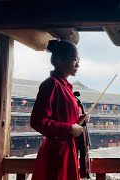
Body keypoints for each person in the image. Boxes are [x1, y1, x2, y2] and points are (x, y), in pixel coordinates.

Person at [30, 40, 89, 180]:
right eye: (74, 60)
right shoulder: (51, 84)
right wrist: (69, 129)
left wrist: (78, 120)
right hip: (56, 153)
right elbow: (38, 121)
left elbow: (64, 119)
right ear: (59, 60)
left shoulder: (65, 86)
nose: (78, 65)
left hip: (67, 150)